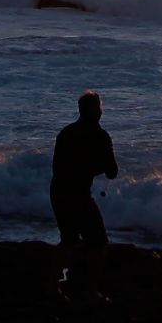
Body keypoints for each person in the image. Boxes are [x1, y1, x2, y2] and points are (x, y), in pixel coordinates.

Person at [50, 90, 117, 294]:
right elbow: (112, 172)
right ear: (96, 111)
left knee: (69, 240)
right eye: (99, 107)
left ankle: (52, 281)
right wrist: (94, 168)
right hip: (77, 196)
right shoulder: (99, 135)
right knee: (99, 243)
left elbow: (57, 168)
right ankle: (88, 289)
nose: (101, 111)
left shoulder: (66, 132)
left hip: (58, 193)